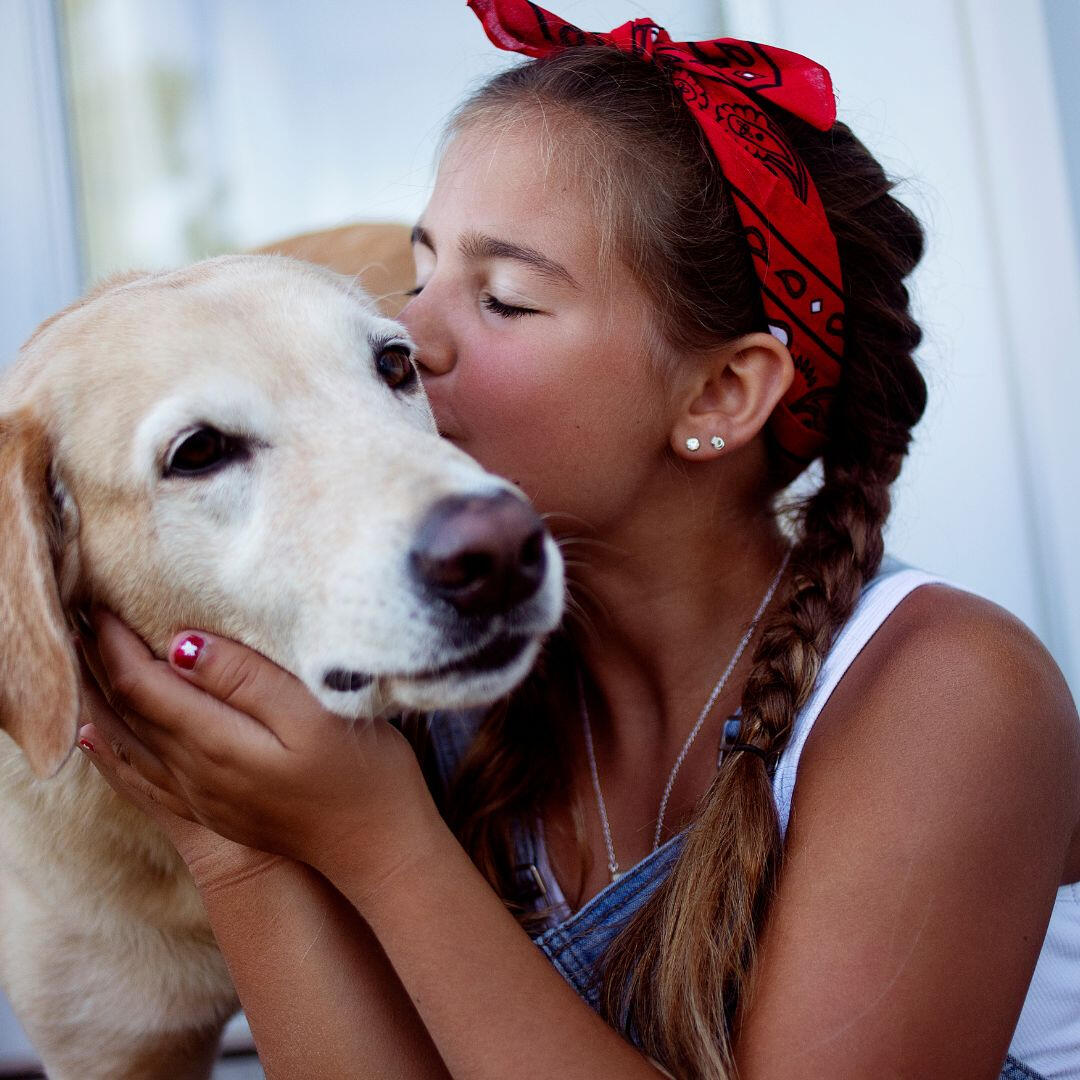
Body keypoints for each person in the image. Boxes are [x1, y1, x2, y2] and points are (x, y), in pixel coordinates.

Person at [75, 3, 1080, 1078]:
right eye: (418, 277)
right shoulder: (439, 675)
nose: (404, 337)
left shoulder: (948, 697)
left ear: (720, 393)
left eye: (502, 299)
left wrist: (381, 845)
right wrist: (232, 837)